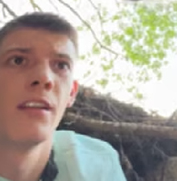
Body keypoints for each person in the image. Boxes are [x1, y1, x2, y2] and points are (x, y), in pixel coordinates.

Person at [0, 12, 127, 181]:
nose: (44, 78)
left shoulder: (97, 163)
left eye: (61, 65)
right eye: (18, 60)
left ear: (71, 93)